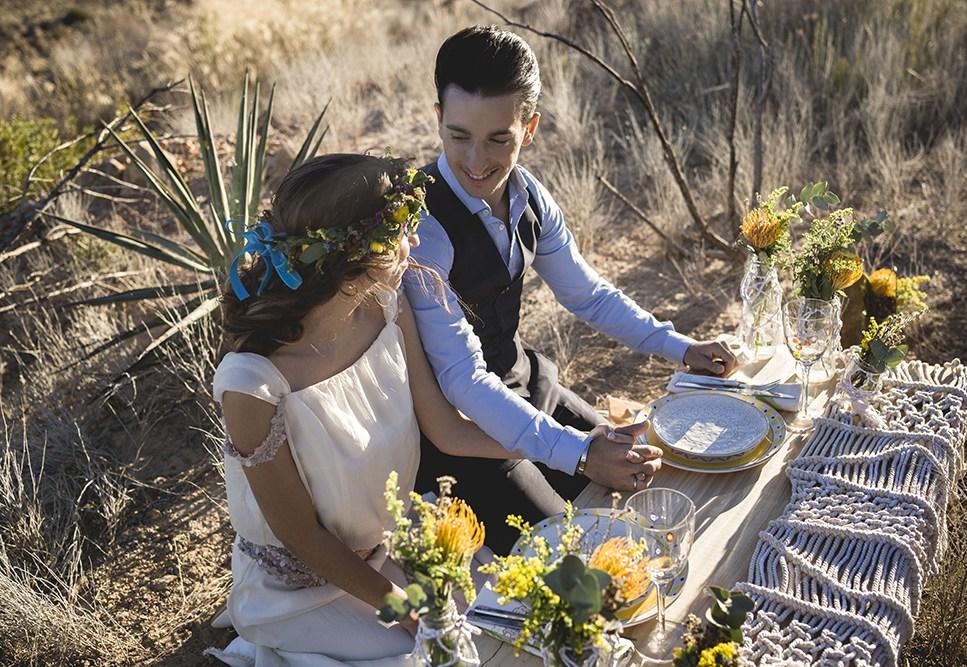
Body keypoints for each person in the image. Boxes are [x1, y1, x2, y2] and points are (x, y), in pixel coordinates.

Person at [205, 154, 659, 665]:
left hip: (394, 546)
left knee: (526, 619)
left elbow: (446, 431)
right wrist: (407, 607)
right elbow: (301, 536)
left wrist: (576, 452)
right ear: (355, 255)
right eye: (401, 232)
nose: (416, 244)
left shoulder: (384, 305)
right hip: (305, 588)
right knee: (453, 654)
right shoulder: (253, 383)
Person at [404, 26, 737, 551]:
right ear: (438, 118)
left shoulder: (529, 195)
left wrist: (681, 347)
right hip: (462, 434)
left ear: (529, 128)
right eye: (458, 134)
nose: (475, 161)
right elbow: (462, 379)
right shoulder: (422, 226)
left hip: (527, 384)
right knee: (582, 549)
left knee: (645, 475)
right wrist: (581, 452)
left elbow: (587, 294)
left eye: (499, 138)